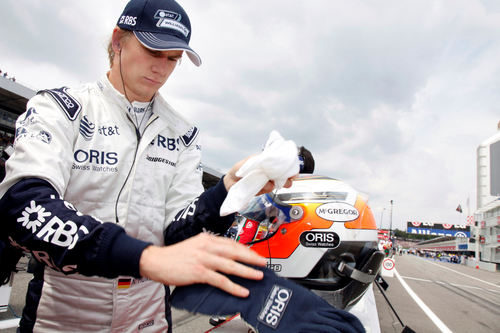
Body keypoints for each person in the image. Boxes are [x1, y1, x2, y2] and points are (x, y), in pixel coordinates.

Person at [0, 0, 296, 332]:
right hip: (62, 315)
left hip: (148, 316)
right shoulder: (61, 108)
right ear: (117, 41)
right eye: (153, 51)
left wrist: (228, 188)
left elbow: (176, 230)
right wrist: (146, 258)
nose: (162, 68)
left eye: (173, 59)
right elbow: (22, 204)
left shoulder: (182, 133)